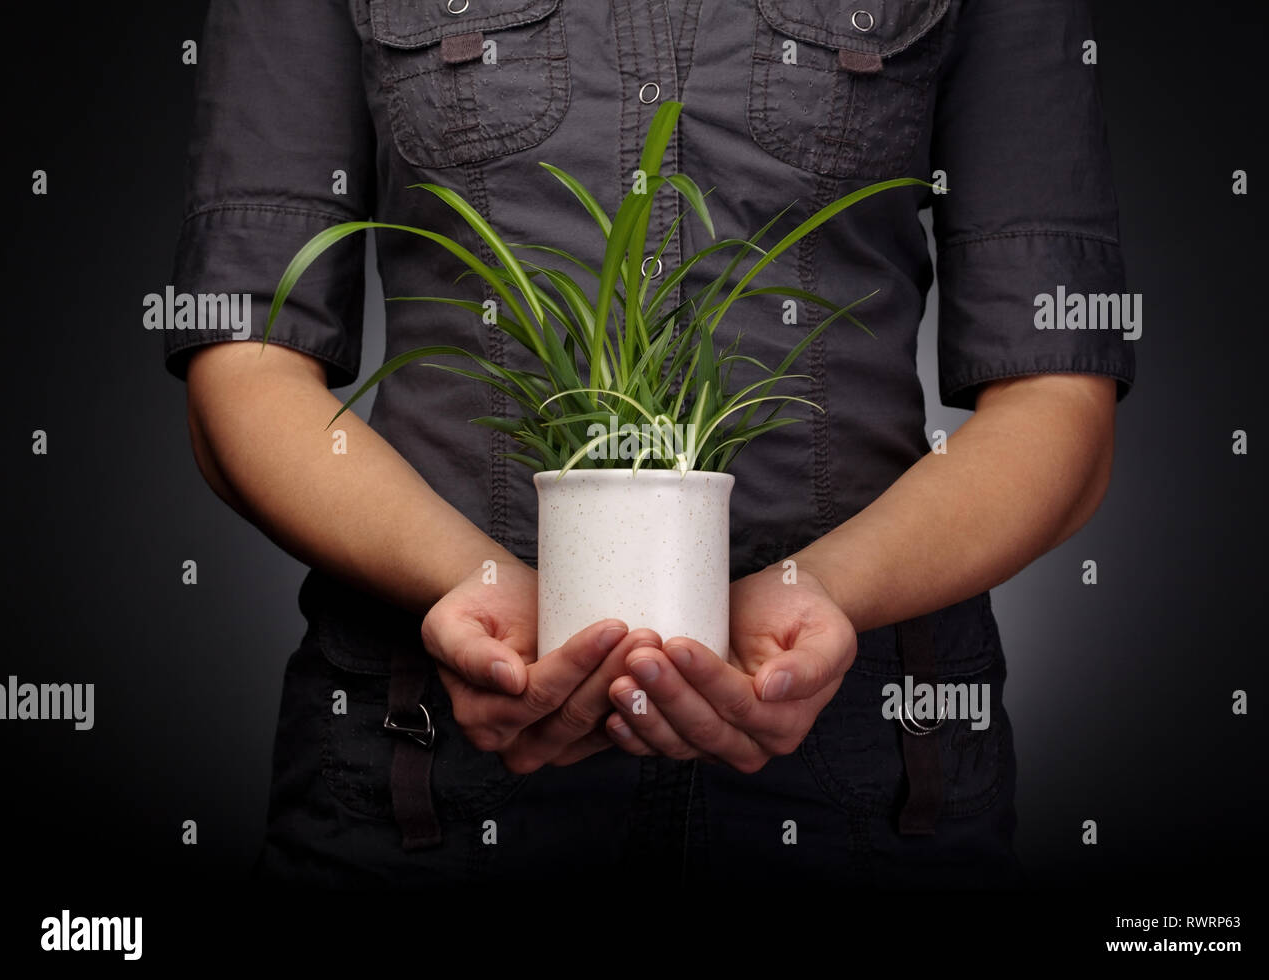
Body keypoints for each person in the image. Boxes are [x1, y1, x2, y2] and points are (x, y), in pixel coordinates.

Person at [167, 0, 1133, 887]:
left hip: (873, 775)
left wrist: (819, 593)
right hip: (425, 769)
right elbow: (244, 366)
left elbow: (1057, 399)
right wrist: (473, 584)